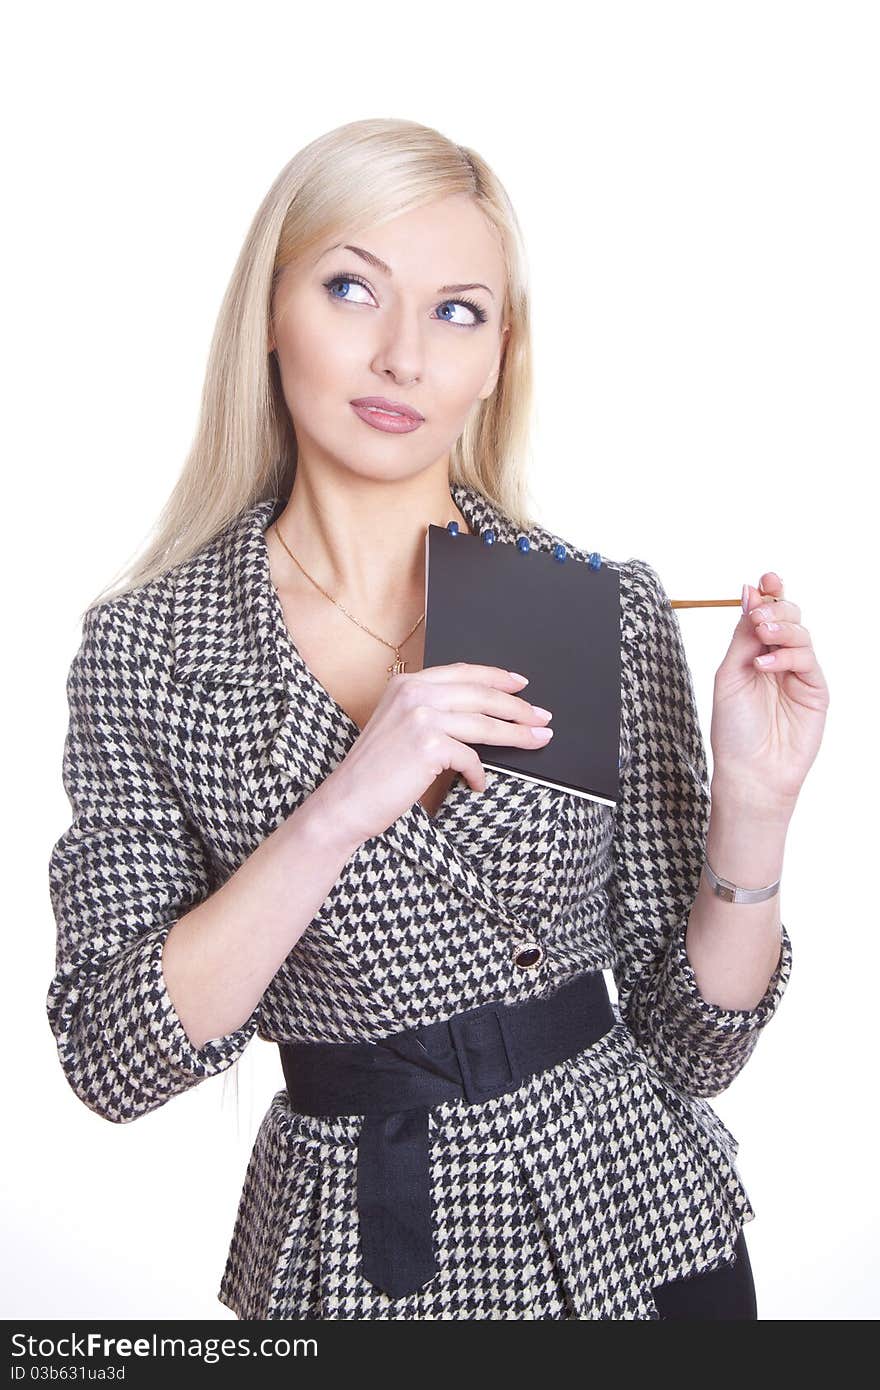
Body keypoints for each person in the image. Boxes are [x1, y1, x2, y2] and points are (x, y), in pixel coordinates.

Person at [46, 117, 828, 1321]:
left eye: (457, 311)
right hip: (361, 1254)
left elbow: (694, 1047)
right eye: (353, 287)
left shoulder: (585, 606)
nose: (402, 356)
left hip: (630, 1227)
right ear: (271, 308)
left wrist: (757, 811)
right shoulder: (151, 649)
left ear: (498, 354)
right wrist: (338, 810)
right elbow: (111, 1054)